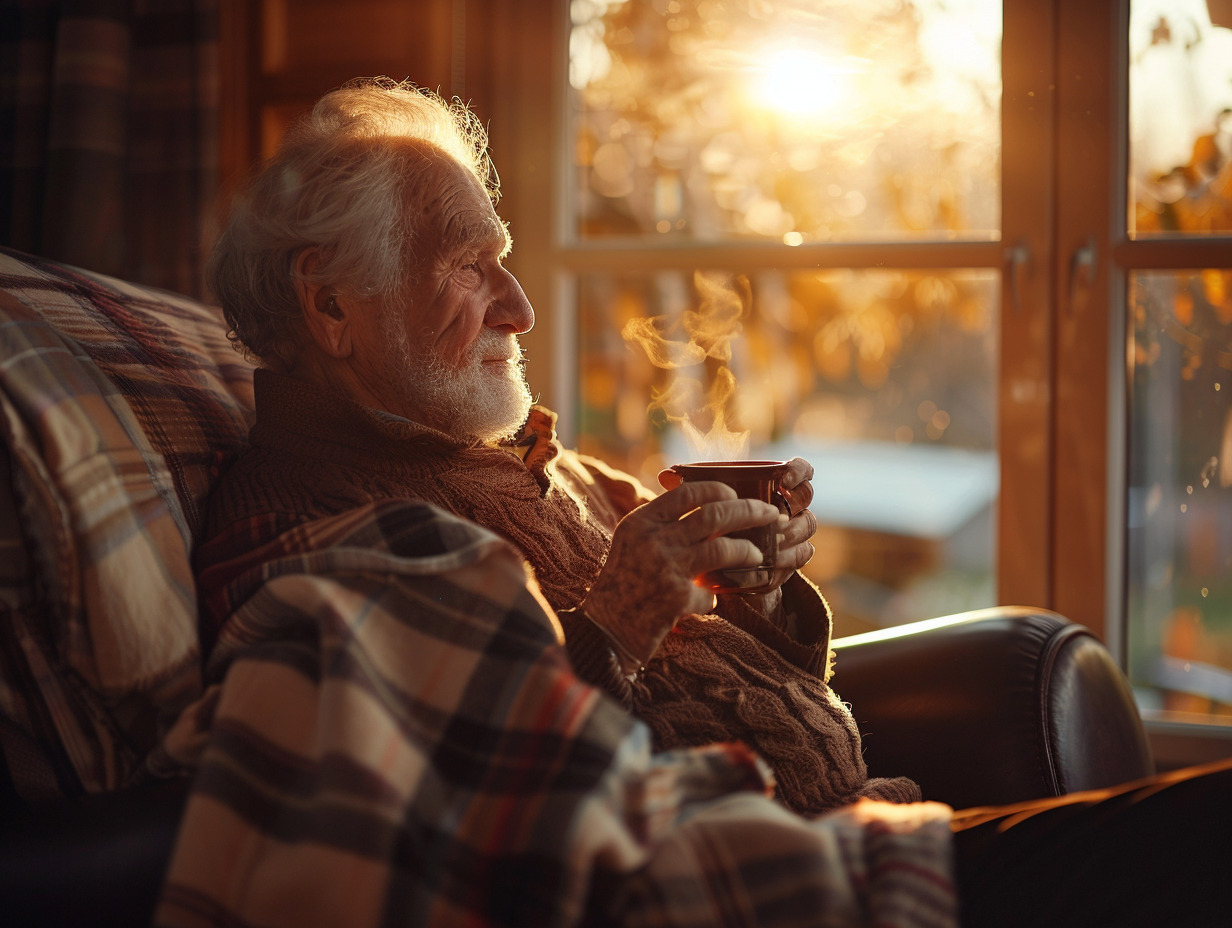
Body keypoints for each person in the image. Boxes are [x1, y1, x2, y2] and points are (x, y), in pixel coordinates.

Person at [155, 78, 1232, 928]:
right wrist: (618, 612)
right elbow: (468, 809)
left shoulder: (521, 463)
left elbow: (702, 675)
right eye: (470, 269)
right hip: (788, 879)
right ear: (331, 303)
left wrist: (753, 595)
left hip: (865, 829)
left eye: (509, 262)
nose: (521, 308)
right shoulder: (310, 529)